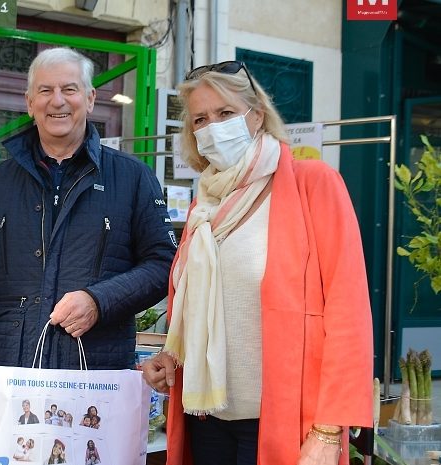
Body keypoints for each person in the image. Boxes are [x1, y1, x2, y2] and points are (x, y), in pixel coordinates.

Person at [141, 61, 373, 465]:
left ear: (257, 115)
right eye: (200, 118)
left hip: (281, 423)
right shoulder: (204, 205)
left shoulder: (312, 184)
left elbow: (348, 313)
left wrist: (329, 429)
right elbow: (202, 308)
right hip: (205, 419)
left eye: (225, 113)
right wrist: (173, 357)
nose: (213, 126)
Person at [0, 46, 176, 435]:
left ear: (90, 98)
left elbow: (163, 265)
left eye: (70, 89)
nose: (57, 101)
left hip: (95, 374)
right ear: (29, 103)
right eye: (45, 91)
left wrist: (99, 300)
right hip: (13, 373)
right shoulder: (0, 182)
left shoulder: (133, 178)